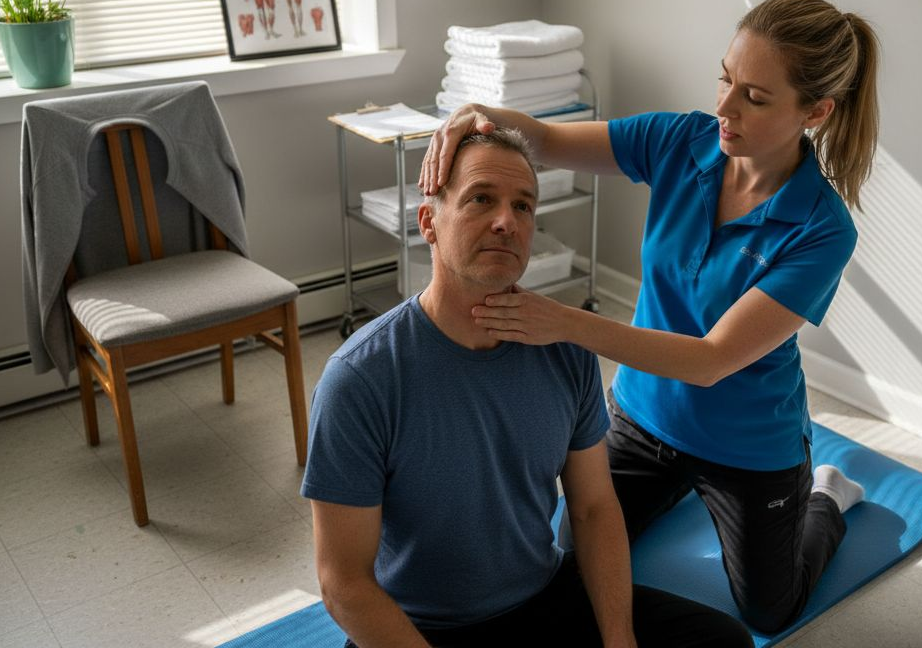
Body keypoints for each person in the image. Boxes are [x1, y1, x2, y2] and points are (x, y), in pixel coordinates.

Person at [419, 0, 879, 634]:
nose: (724, 106)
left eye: (755, 96)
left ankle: (825, 496)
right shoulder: (681, 141)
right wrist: (482, 115)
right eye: (725, 78)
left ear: (816, 111)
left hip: (748, 444)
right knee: (567, 563)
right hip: (643, 418)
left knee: (770, 611)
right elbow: (547, 140)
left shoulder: (821, 228)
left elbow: (714, 359)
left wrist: (564, 322)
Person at [305, 128, 752, 648]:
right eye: (481, 199)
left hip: (541, 597)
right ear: (429, 221)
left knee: (723, 641)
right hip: (419, 628)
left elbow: (591, 508)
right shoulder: (361, 378)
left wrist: (619, 639)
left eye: (523, 206)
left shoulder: (565, 346)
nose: (506, 222)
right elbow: (345, 583)